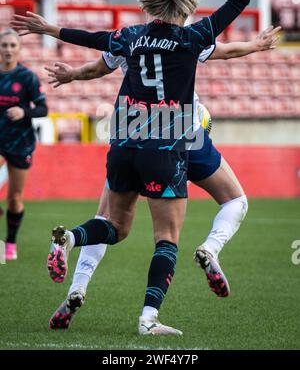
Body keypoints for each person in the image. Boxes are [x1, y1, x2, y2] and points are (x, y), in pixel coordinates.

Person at [12, 0, 262, 335]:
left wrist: (50, 28)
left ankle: (70, 239)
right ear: (183, 7)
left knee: (115, 224)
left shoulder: (130, 36)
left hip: (125, 137)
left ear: (150, 6)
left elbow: (92, 39)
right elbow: (239, 2)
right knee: (166, 237)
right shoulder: (194, 37)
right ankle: (148, 318)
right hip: (167, 140)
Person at [44, 25, 280, 330]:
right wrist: (255, 44)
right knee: (230, 203)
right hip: (183, 132)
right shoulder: (186, 39)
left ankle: (77, 283)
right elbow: (225, 49)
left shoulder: (131, 38)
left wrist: (71, 69)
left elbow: (98, 65)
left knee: (107, 222)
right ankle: (207, 251)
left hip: (131, 133)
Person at [0, 29, 48, 260]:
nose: (8, 49)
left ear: (18, 49)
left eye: (12, 45)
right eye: (4, 45)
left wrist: (24, 111)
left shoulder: (27, 77)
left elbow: (43, 109)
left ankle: (10, 242)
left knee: (15, 198)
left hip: (20, 142)